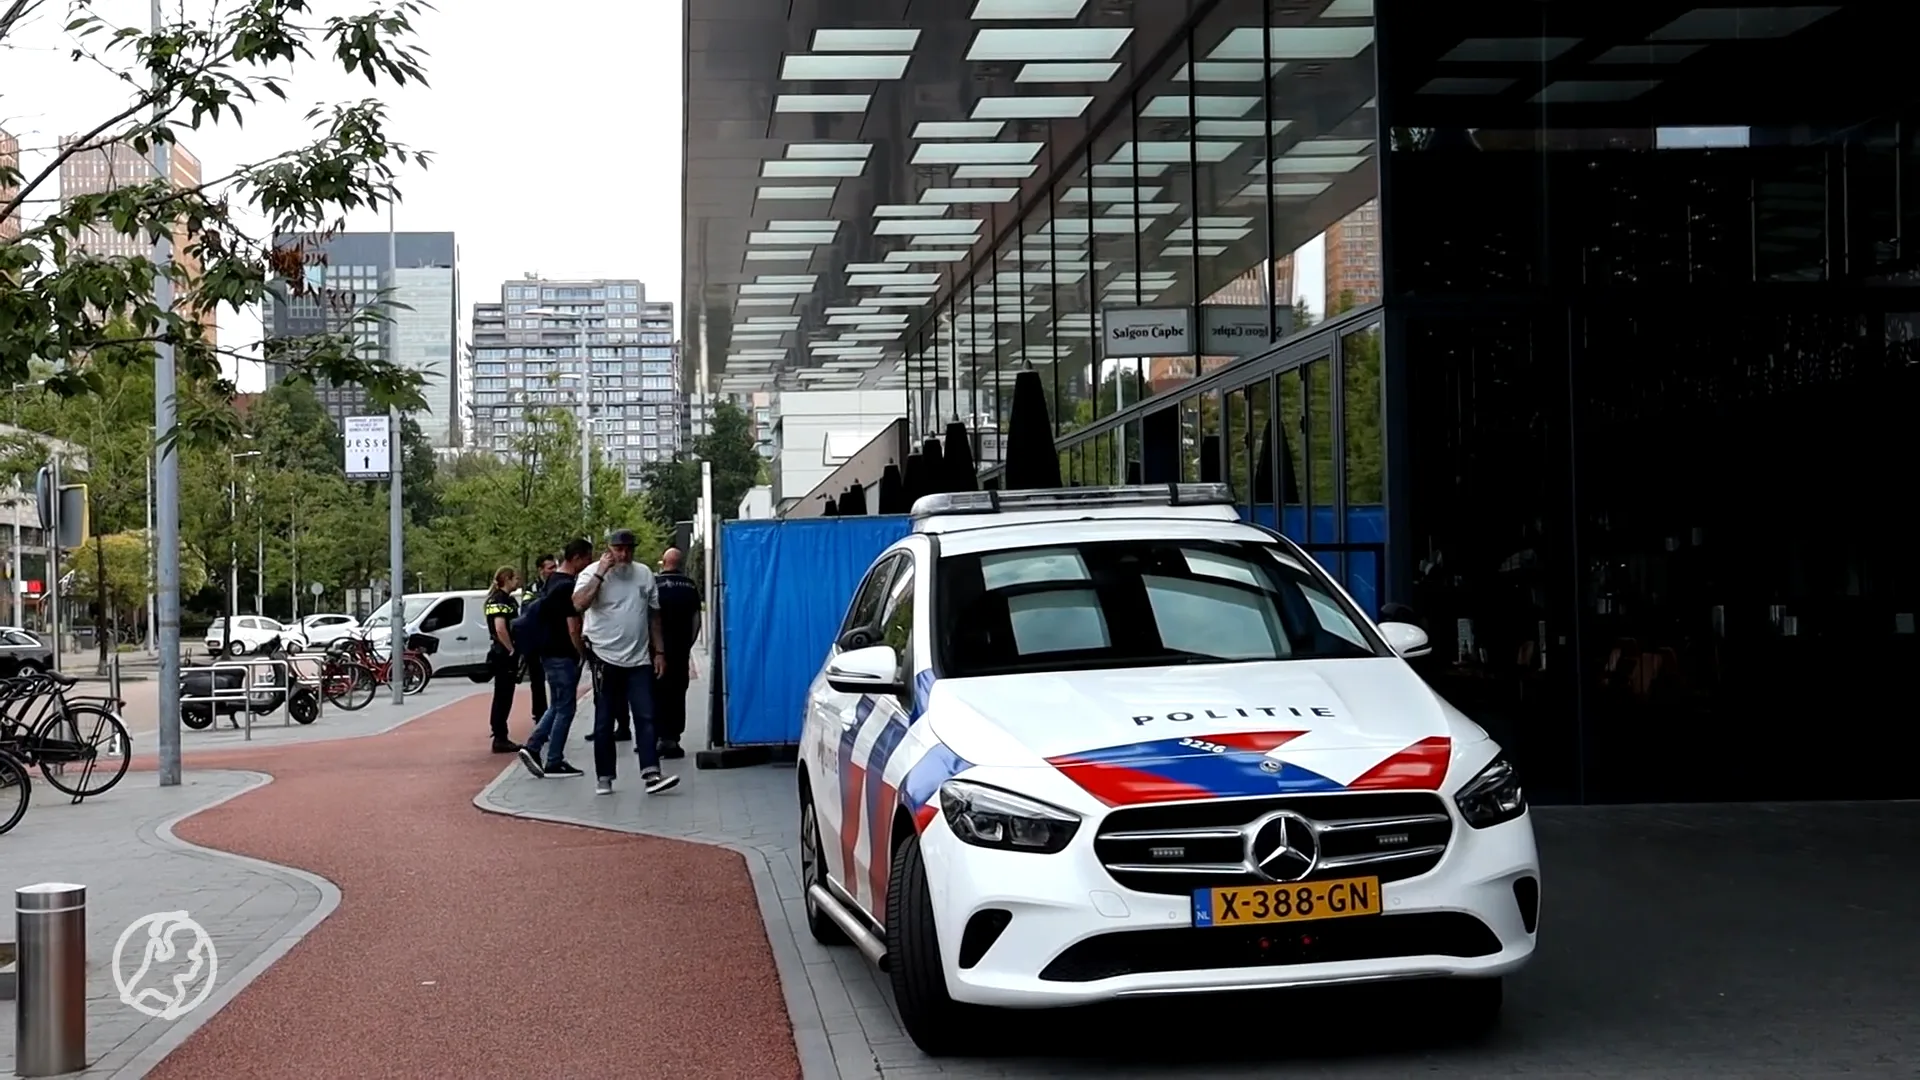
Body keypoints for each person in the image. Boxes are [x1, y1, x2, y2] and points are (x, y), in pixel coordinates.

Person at [572, 528, 680, 796]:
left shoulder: (644, 574)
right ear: (609, 549)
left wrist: (660, 653)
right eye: (618, 549)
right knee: (605, 719)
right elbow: (577, 605)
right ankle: (605, 776)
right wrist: (600, 573)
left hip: (639, 657)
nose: (624, 554)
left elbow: (654, 615)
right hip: (604, 657)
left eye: (629, 549)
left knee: (646, 715)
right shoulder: (592, 573)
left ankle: (651, 773)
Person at [517, 539, 593, 779]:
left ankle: (533, 747)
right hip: (563, 652)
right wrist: (582, 653)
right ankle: (553, 759)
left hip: (548, 651)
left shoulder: (552, 580)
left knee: (557, 704)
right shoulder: (567, 586)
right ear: (577, 558)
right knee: (566, 708)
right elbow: (572, 626)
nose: (589, 563)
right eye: (587, 558)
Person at [653, 546, 703, 760]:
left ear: (664, 563)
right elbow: (696, 620)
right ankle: (673, 738)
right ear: (680, 564)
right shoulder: (690, 586)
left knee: (657, 693)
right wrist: (689, 644)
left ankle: (658, 737)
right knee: (677, 693)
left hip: (656, 651)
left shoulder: (654, 585)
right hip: (680, 649)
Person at [483, 566, 523, 754]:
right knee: (503, 695)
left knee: (504, 694)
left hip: (503, 652)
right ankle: (500, 736)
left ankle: (500, 734)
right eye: (515, 578)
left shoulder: (506, 599)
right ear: (507, 579)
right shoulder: (499, 600)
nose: (518, 581)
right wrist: (511, 649)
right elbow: (500, 628)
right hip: (503, 653)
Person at [521, 554, 556, 726]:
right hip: (536, 643)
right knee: (537, 682)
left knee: (556, 680)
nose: (553, 571)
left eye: (554, 567)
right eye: (550, 568)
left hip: (553, 640)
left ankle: (554, 715)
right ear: (541, 570)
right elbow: (528, 611)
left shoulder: (558, 584)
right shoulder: (532, 589)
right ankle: (540, 716)